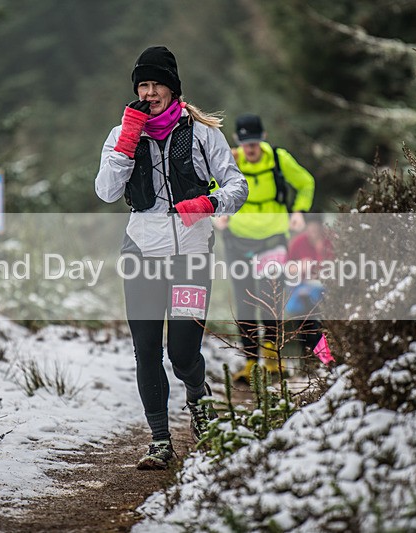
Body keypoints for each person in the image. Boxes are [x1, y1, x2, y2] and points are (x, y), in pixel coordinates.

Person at [95, 46, 248, 470]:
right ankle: (160, 440)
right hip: (142, 252)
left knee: (182, 353)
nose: (148, 93)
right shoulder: (122, 133)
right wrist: (126, 142)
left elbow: (238, 186)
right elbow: (106, 191)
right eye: (142, 86)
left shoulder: (202, 134)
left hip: (191, 257)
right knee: (146, 351)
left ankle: (199, 400)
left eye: (155, 84)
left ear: (172, 88)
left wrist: (209, 204)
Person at [213, 113, 316, 384]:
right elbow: (212, 184)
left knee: (270, 296)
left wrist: (299, 211)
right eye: (246, 142)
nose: (251, 148)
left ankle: (272, 359)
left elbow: (306, 183)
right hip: (238, 239)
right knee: (245, 299)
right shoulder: (231, 161)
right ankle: (249, 362)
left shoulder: (280, 159)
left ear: (264, 138)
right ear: (238, 141)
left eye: (255, 142)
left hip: (273, 238)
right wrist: (218, 210)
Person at [285, 212, 334, 352]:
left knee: (317, 320)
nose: (313, 233)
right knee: (301, 315)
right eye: (310, 229)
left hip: (323, 288)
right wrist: (300, 266)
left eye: (317, 229)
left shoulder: (330, 241)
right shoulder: (298, 243)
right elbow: (288, 269)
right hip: (302, 287)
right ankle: (308, 356)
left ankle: (323, 356)